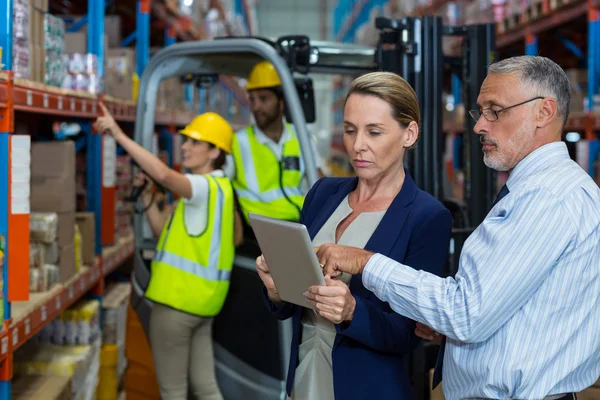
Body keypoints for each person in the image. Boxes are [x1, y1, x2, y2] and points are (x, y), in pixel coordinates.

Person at [315, 56, 600, 400]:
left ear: (544, 112)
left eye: (494, 110)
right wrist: (450, 335)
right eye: (480, 112)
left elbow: (467, 312)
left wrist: (365, 262)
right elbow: (521, 312)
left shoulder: (548, 198)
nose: (480, 125)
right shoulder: (534, 193)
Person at [255, 72, 453, 399]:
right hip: (302, 380)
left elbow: (410, 334)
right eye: (350, 130)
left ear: (410, 134)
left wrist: (351, 312)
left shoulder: (426, 217)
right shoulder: (323, 194)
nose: (357, 145)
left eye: (374, 132)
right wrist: (278, 291)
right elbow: (294, 306)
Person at [94, 104, 241, 400]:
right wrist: (148, 198)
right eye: (185, 140)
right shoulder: (222, 189)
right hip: (204, 306)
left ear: (215, 152)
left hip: (176, 304)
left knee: (172, 391)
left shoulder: (201, 187)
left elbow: (163, 173)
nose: (185, 147)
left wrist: (118, 134)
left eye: (195, 142)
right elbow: (166, 234)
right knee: (205, 387)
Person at [227, 60, 324, 238]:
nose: (256, 107)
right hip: (258, 232)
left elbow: (318, 181)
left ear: (281, 102)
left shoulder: (301, 137)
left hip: (297, 225)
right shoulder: (238, 142)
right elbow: (221, 187)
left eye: (263, 99)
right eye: (252, 99)